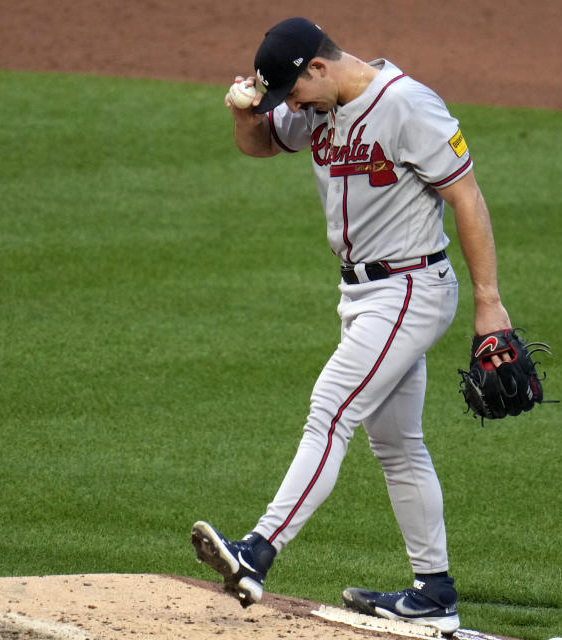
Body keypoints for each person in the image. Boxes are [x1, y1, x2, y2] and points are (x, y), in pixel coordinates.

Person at [192, 17, 514, 636]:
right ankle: (435, 593)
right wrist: (244, 111)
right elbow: (261, 143)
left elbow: (467, 196)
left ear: (319, 66)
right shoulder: (319, 104)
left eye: (296, 93)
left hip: (410, 288)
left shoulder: (409, 106)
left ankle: (258, 551)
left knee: (329, 409)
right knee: (397, 445)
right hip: (362, 294)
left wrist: (489, 303)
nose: (295, 108)